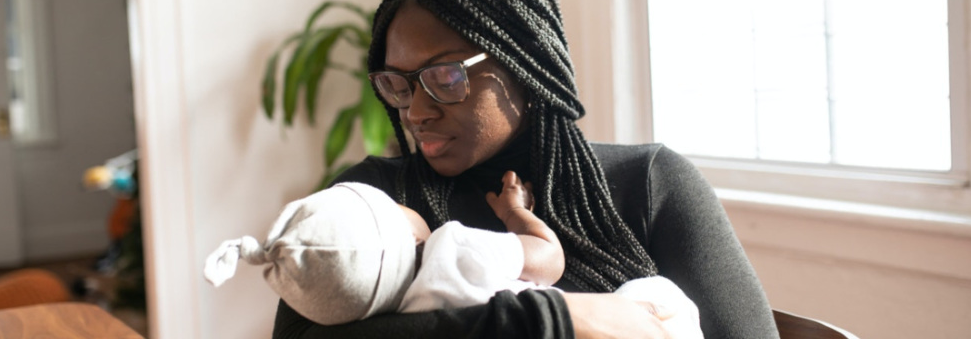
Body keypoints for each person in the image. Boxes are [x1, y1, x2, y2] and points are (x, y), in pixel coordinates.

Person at [273, 0, 779, 338]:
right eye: (399, 85)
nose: (416, 112)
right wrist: (560, 322)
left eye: (445, 78)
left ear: (524, 65)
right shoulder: (373, 204)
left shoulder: (649, 185)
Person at [206, 176, 701, 338]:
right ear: (402, 236)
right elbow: (548, 261)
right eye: (395, 207)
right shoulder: (452, 249)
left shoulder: (392, 314)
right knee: (655, 297)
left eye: (446, 74)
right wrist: (515, 214)